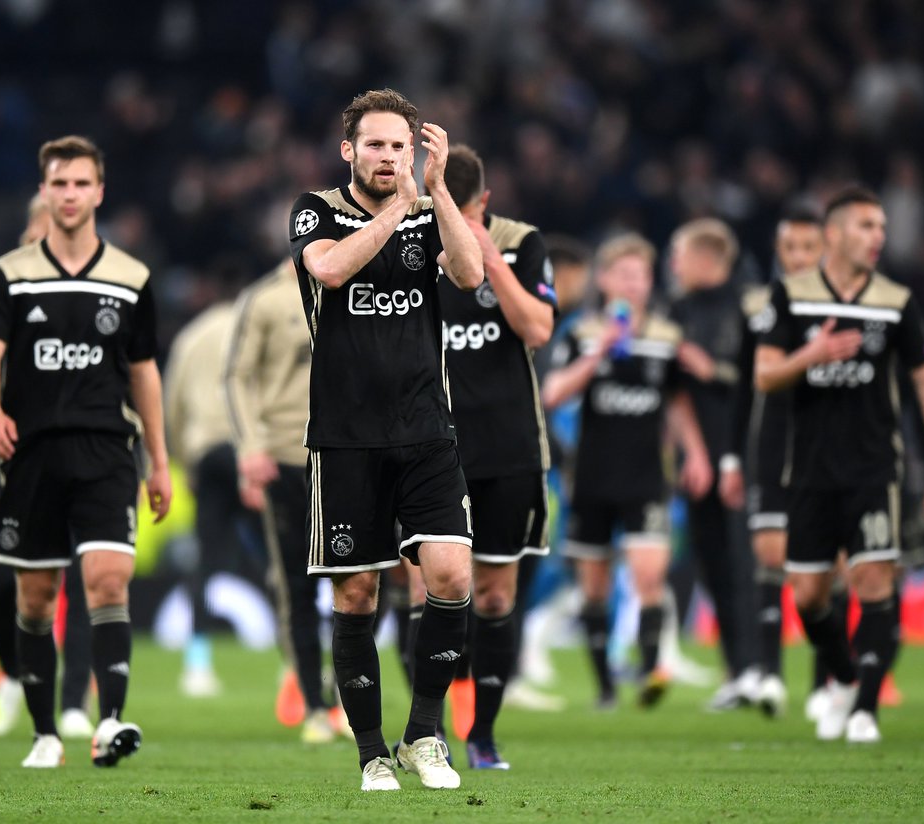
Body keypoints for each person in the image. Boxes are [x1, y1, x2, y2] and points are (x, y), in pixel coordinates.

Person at [288, 88, 483, 791]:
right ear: (349, 149)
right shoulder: (316, 210)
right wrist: (398, 209)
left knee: (452, 576)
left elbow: (470, 274)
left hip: (427, 429)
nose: (388, 156)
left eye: (400, 146)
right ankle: (372, 753)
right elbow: (331, 269)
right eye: (375, 144)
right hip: (346, 438)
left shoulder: (429, 211)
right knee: (357, 596)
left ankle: (424, 734)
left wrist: (438, 193)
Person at [0, 135, 171, 768]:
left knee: (108, 580)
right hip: (32, 454)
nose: (70, 194)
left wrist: (160, 461)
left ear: (99, 192)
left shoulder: (131, 278)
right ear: (44, 190)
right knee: (35, 596)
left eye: (81, 183)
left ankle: (109, 722)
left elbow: (144, 373)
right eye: (59, 183)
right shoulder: (11, 274)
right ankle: (45, 734)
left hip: (107, 450)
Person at [755, 184, 924, 743]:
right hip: (809, 472)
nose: (879, 236)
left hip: (874, 470)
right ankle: (847, 680)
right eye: (866, 226)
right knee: (809, 596)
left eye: (881, 227)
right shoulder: (791, 295)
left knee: (874, 579)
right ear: (833, 233)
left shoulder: (895, 301)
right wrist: (811, 355)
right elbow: (765, 374)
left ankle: (866, 711)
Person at [541, 233, 713, 710]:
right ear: (605, 279)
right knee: (593, 587)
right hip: (592, 477)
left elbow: (676, 403)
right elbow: (553, 394)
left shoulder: (666, 338)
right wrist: (599, 353)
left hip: (646, 477)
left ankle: (653, 669)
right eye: (625, 274)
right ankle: (605, 688)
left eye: (642, 275)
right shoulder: (581, 333)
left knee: (649, 575)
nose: (634, 284)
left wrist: (696, 453)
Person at [0, 194, 95, 739]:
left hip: (84, 453)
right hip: (14, 457)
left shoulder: (100, 281)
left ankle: (74, 701)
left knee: (84, 577)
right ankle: (12, 673)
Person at [436, 145, 556, 769]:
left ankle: (482, 735)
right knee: (431, 591)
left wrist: (488, 258)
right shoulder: (412, 242)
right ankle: (429, 731)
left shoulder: (520, 242)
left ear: (484, 203)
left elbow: (538, 330)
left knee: (492, 596)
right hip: (432, 451)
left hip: (509, 449)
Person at [222, 256, 349, 743]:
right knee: (296, 586)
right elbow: (237, 376)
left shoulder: (357, 284)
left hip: (347, 456)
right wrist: (250, 447)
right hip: (285, 457)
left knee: (356, 580)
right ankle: (315, 704)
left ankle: (343, 696)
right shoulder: (264, 299)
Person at [719, 204, 825, 718]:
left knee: (826, 571)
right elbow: (745, 387)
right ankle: (770, 675)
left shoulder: (844, 307)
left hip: (826, 451)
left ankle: (826, 682)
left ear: (824, 249)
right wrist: (731, 458)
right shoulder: (758, 307)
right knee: (769, 556)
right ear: (778, 250)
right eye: (791, 247)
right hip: (771, 447)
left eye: (809, 247)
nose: (799, 257)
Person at [667, 218, 762, 711]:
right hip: (699, 461)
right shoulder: (678, 310)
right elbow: (674, 391)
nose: (674, 265)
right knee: (714, 565)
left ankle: (762, 669)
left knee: (748, 565)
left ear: (707, 258)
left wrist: (714, 369)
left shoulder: (751, 306)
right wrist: (694, 454)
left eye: (680, 255)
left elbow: (765, 378)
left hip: (749, 455)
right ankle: (737, 670)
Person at [164, 289, 266, 698]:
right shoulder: (256, 326)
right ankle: (296, 667)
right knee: (276, 559)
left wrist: (184, 460)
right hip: (252, 455)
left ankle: (198, 664)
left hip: (206, 454)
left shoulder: (192, 335)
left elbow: (172, 404)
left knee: (205, 560)